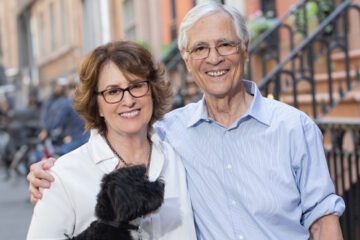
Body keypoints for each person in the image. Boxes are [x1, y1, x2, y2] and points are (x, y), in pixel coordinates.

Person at [27, 3, 345, 240]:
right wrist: (47, 174)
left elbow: (323, 218)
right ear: (186, 58)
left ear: (245, 49)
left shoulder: (294, 127)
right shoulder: (171, 132)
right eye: (200, 48)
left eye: (225, 44)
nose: (214, 58)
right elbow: (114, 138)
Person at [26, 41, 196, 239]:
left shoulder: (181, 155)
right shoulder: (63, 177)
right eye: (113, 92)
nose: (128, 100)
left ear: (152, 91)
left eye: (137, 86)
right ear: (96, 104)